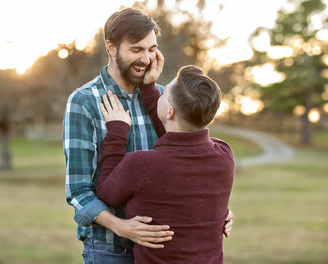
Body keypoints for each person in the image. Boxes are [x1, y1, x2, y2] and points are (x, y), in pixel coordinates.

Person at [63, 6, 233, 264]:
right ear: (111, 47)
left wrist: (214, 210)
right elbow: (78, 191)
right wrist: (122, 226)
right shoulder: (84, 101)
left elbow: (187, 162)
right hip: (110, 249)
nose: (146, 58)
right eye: (136, 50)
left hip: (164, 253)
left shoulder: (164, 97)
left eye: (152, 49)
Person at [97, 64, 235, 263]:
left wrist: (117, 132)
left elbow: (106, 193)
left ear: (170, 111)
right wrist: (149, 89)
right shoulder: (224, 155)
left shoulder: (142, 165)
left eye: (163, 92)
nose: (159, 94)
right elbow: (180, 142)